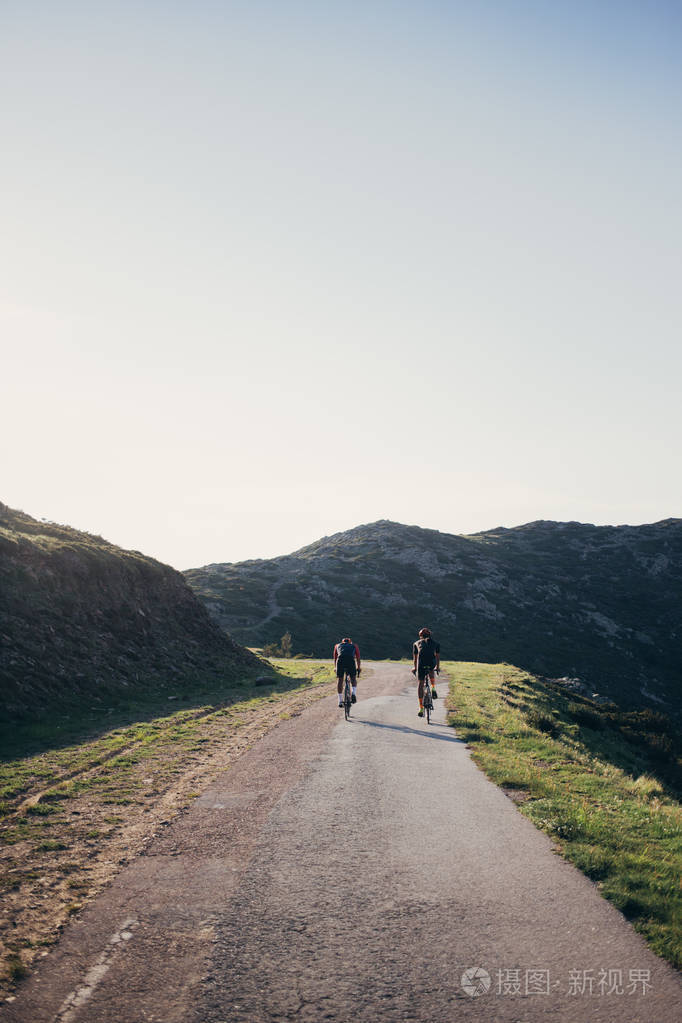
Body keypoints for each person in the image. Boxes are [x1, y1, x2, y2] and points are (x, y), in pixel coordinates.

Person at [412, 626, 440, 717]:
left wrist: (414, 668)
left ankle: (421, 708)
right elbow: (437, 657)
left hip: (421, 664)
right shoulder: (436, 643)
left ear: (420, 635)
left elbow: (415, 659)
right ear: (430, 635)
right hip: (431, 663)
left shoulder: (416, 643)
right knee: (431, 669)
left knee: (421, 683)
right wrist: (437, 667)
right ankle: (433, 687)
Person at [333, 637, 361, 708]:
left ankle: (340, 701)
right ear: (350, 642)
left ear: (342, 642)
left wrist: (335, 667)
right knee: (353, 678)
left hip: (340, 662)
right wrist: (358, 667)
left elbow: (335, 658)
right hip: (350, 661)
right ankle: (353, 693)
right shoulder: (354, 646)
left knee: (340, 680)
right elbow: (358, 657)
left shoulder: (337, 645)